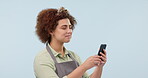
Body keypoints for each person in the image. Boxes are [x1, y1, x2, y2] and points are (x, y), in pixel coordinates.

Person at [34, 7, 107, 78]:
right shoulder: (42, 59)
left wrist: (99, 66)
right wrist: (84, 67)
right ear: (50, 31)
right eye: (64, 28)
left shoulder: (73, 56)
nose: (69, 31)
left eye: (70, 27)